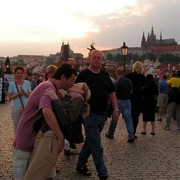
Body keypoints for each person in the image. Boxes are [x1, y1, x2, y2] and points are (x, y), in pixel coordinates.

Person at [13, 64, 77, 180]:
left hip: (38, 141)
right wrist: (60, 136)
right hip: (26, 140)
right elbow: (46, 111)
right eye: (72, 80)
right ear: (63, 77)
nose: (72, 83)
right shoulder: (47, 87)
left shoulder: (55, 90)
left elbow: (63, 109)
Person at [75, 49, 119, 180]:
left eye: (99, 58)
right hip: (89, 114)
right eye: (94, 57)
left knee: (90, 141)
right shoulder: (83, 75)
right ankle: (103, 174)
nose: (97, 60)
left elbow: (112, 93)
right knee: (96, 145)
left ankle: (81, 164)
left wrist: (116, 109)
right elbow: (74, 91)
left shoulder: (105, 75)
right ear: (89, 59)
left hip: (102, 115)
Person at [105, 68, 134, 143]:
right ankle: (131, 135)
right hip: (127, 101)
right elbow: (131, 91)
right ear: (123, 73)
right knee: (129, 119)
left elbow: (113, 93)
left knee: (115, 118)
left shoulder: (116, 82)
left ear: (117, 73)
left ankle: (111, 133)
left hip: (119, 101)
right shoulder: (129, 81)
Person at [8, 66, 31, 133]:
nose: (19, 75)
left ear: (24, 74)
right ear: (15, 74)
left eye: (21, 73)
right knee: (17, 127)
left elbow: (30, 96)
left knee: (25, 127)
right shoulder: (12, 84)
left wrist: (24, 93)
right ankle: (17, 142)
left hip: (26, 107)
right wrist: (19, 93)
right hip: (16, 108)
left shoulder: (27, 83)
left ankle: (24, 141)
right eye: (18, 73)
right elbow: (10, 98)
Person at [126, 61, 145, 138]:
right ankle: (133, 132)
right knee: (136, 117)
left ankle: (130, 132)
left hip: (129, 98)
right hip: (139, 99)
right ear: (141, 68)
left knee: (129, 116)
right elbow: (144, 89)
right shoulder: (143, 77)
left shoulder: (128, 76)